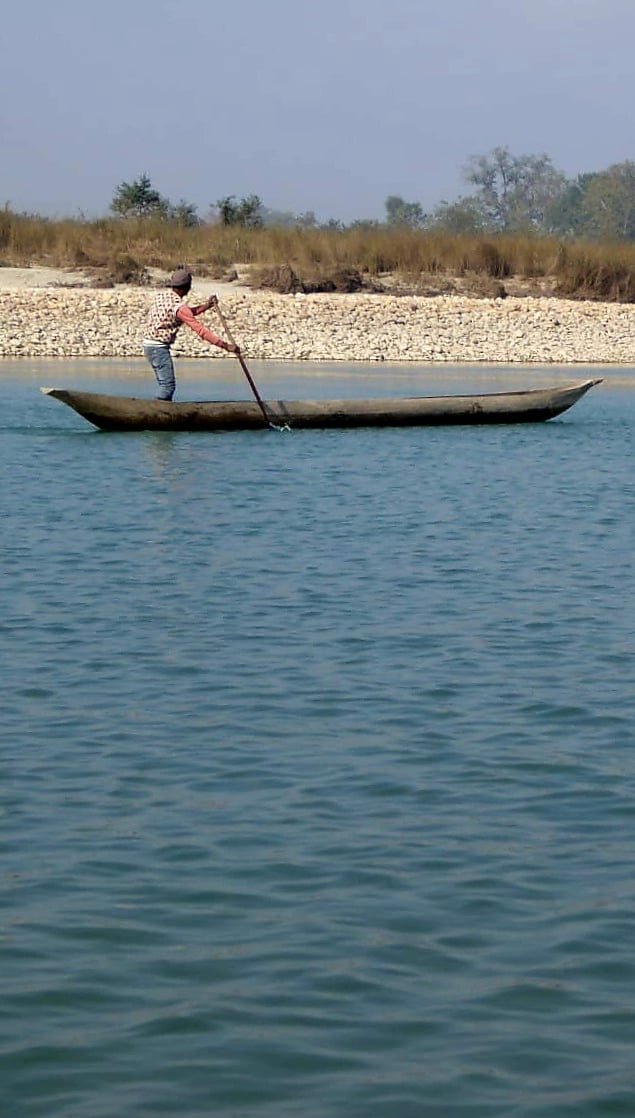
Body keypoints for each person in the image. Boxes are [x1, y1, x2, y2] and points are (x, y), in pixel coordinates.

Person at [142, 266, 239, 400]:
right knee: (168, 386)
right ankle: (157, 413)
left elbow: (187, 313)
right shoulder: (179, 307)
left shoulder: (162, 297)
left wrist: (207, 306)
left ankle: (164, 411)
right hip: (157, 348)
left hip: (148, 346)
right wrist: (225, 346)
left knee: (164, 384)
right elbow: (201, 331)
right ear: (187, 287)